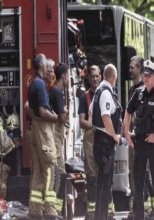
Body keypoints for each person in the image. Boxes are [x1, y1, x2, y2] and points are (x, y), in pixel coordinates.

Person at [123, 60, 154, 220]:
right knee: (138, 183)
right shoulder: (138, 94)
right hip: (140, 144)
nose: (146, 77)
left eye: (149, 75)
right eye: (145, 74)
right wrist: (127, 133)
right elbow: (128, 112)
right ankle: (138, 216)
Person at [27, 54, 59, 219]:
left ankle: (35, 209)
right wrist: (56, 117)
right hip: (43, 130)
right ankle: (50, 210)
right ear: (42, 67)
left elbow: (30, 108)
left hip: (35, 130)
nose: (48, 68)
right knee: (49, 170)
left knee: (38, 171)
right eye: (47, 65)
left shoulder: (33, 83)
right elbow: (42, 112)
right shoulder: (39, 85)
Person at [91, 64, 122, 220]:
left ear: (103, 75)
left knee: (102, 184)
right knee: (105, 185)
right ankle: (101, 217)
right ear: (114, 78)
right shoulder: (106, 93)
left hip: (99, 140)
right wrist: (115, 136)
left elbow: (91, 112)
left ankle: (99, 216)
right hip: (105, 144)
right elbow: (105, 117)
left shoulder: (98, 91)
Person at [78, 65, 105, 220]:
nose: (95, 79)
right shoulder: (84, 97)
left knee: (104, 175)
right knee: (92, 177)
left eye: (97, 76)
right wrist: (97, 125)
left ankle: (107, 211)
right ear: (89, 78)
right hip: (90, 140)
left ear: (101, 76)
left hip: (103, 140)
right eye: (92, 76)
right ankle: (92, 214)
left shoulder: (105, 95)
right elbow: (82, 122)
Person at [49, 62, 70, 217]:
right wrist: (67, 110)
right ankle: (55, 209)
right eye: (68, 76)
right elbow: (62, 118)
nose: (69, 78)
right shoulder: (57, 92)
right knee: (60, 173)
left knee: (58, 173)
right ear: (64, 76)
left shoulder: (54, 91)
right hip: (55, 136)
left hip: (55, 135)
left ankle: (56, 209)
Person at [126, 55, 144, 220]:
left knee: (143, 172)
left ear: (139, 69)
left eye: (133, 67)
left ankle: (145, 207)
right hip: (132, 138)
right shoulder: (131, 89)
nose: (130, 70)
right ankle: (133, 209)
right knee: (132, 172)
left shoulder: (144, 89)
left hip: (141, 139)